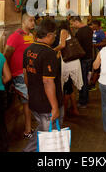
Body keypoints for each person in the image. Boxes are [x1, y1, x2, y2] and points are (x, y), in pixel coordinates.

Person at [22, 19, 63, 152]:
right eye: (55, 35)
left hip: (34, 101)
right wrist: (55, 107)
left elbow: (25, 74)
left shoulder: (28, 50)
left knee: (43, 131)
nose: (55, 37)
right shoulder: (49, 53)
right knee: (49, 140)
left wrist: (31, 92)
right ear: (49, 35)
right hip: (47, 105)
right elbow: (48, 81)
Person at [4, 13, 35, 139]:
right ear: (23, 22)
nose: (33, 23)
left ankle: (28, 129)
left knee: (27, 103)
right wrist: (7, 74)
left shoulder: (31, 36)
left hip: (29, 73)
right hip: (18, 74)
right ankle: (27, 130)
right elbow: (6, 55)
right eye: (31, 20)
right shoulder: (15, 37)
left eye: (34, 20)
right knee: (28, 101)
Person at [53, 20, 82, 117]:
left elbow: (62, 45)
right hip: (72, 62)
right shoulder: (70, 31)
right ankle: (74, 109)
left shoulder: (63, 31)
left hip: (68, 63)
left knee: (67, 87)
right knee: (69, 87)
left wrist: (51, 50)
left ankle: (64, 112)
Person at [70, 16, 93, 108]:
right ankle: (85, 98)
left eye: (72, 23)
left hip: (83, 59)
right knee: (86, 79)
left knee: (82, 80)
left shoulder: (79, 32)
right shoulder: (89, 29)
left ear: (76, 21)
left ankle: (83, 101)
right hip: (89, 57)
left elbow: (76, 45)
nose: (72, 25)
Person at [90, 19, 106, 90]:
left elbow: (105, 42)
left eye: (93, 24)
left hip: (99, 52)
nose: (92, 26)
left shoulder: (101, 32)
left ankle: (93, 84)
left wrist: (95, 45)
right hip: (94, 52)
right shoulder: (94, 31)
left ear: (96, 25)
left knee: (97, 68)